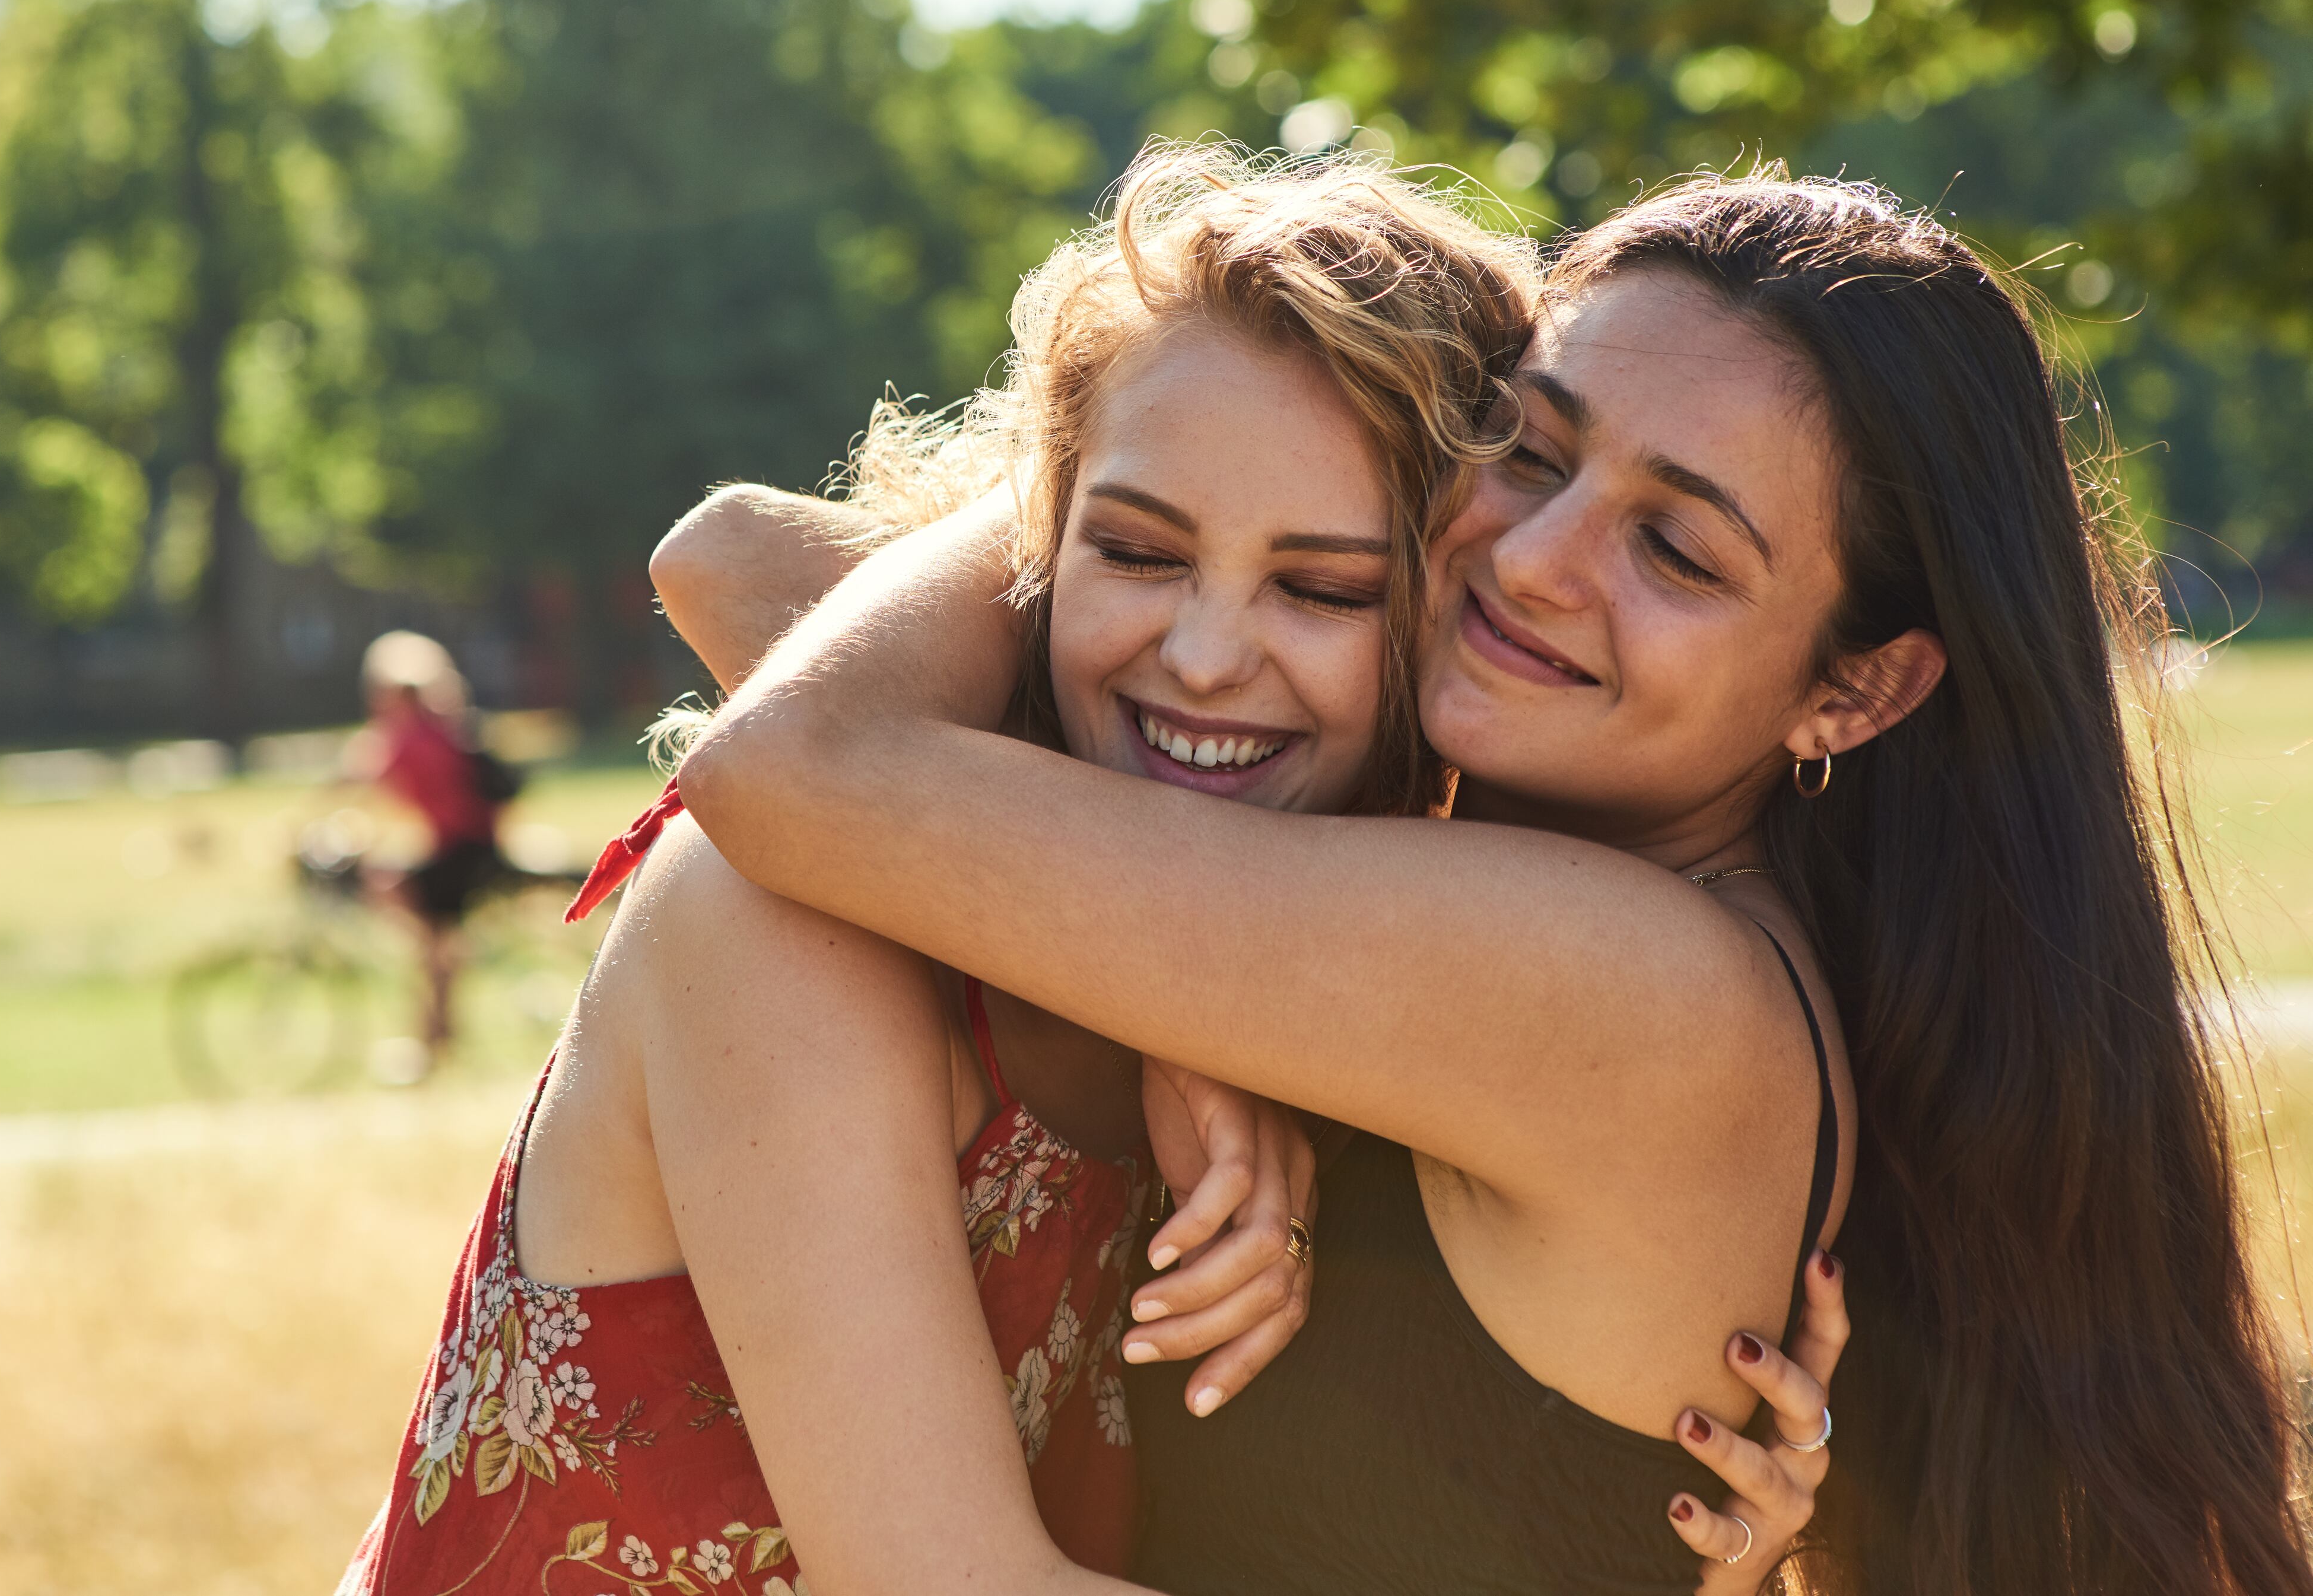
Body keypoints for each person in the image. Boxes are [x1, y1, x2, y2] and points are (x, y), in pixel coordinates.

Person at [672, 170, 2309, 1594]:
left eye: (1675, 549)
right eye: (1533, 449)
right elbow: (738, 559)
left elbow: (798, 765)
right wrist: (1184, 1002)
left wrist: (1136, 393)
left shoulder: (1623, 987)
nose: (1535, 557)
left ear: (1854, 691)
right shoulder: (1512, 898)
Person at [341, 151, 1838, 1596]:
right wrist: (1113, 408)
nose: (1201, 655)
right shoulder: (783, 911)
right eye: (1132, 547)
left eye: (1322, 585)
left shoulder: (1309, 973)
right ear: (1045, 548)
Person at [344, 631, 510, 1060]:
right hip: (471, 848)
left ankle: (434, 1025)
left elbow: (363, 780)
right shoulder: (446, 727)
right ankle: (438, 1027)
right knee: (434, 945)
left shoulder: (410, 737)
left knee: (404, 910)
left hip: (458, 853)